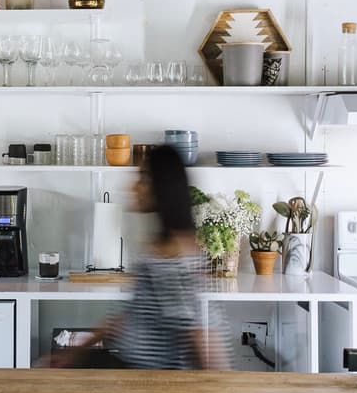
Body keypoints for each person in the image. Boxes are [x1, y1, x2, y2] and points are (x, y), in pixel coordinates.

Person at [53, 145, 230, 370]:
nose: (134, 186)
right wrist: (76, 351)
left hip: (160, 385)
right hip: (141, 375)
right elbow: (134, 317)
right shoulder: (161, 248)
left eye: (143, 178)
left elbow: (199, 336)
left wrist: (220, 390)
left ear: (162, 187)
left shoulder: (172, 257)